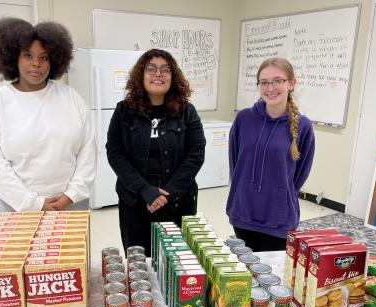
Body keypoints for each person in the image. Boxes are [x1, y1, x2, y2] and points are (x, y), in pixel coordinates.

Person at [0, 17, 95, 214]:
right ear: (13, 57)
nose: (36, 64)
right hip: (15, 207)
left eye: (44, 57)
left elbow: (88, 150)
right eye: (28, 56)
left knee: (68, 247)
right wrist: (34, 203)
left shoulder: (71, 98)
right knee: (19, 247)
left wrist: (72, 194)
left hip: (70, 203)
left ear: (55, 60)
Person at [106, 49, 206, 257]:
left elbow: (196, 154)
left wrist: (167, 193)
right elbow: (115, 153)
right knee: (138, 261)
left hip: (177, 201)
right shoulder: (124, 110)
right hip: (135, 201)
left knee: (177, 262)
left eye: (165, 70)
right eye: (151, 69)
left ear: (173, 77)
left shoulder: (187, 112)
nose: (158, 74)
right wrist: (145, 189)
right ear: (140, 76)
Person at [226, 57, 315, 251]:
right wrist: (244, 190)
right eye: (264, 82)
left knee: (271, 275)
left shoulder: (304, 126)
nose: (270, 88)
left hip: (278, 216)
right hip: (244, 211)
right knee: (244, 271)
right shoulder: (244, 118)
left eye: (278, 81)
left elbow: (300, 174)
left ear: (291, 83)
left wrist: (279, 192)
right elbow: (235, 162)